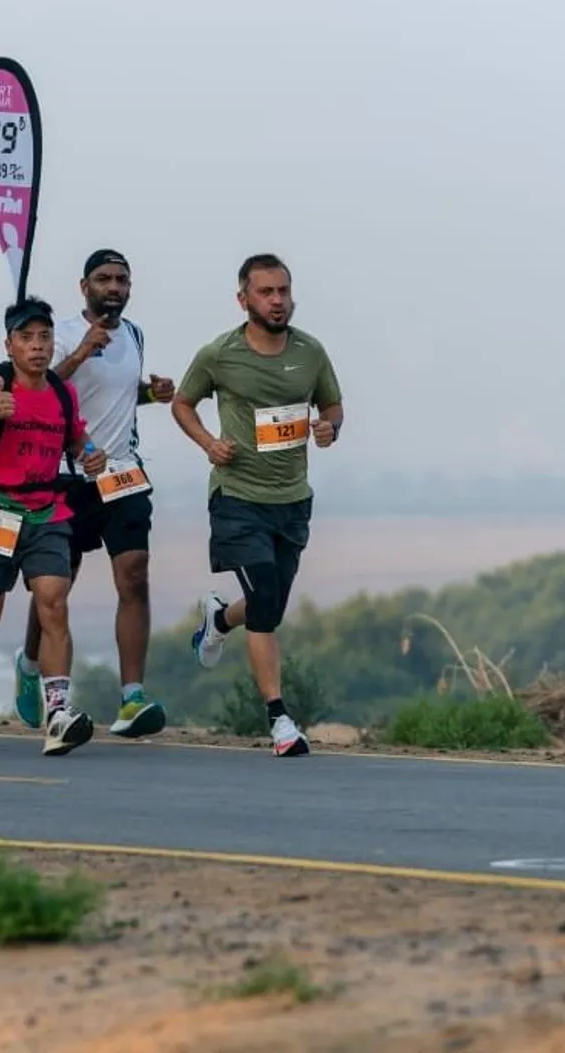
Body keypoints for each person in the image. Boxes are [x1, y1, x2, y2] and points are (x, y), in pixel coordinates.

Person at [171, 254, 343, 757]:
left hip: (292, 500)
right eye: (266, 292)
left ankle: (220, 619)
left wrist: (330, 428)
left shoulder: (310, 352)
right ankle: (279, 719)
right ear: (243, 299)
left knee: (270, 605)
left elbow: (332, 405)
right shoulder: (220, 354)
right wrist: (209, 443)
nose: (277, 301)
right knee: (265, 596)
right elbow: (183, 402)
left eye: (283, 291)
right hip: (238, 498)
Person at [12, 249, 175, 739]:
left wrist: (153, 393)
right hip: (67, 476)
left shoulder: (135, 334)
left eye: (122, 280)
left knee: (135, 574)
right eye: (104, 279)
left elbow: (117, 393)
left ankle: (132, 698)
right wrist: (81, 351)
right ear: (84, 287)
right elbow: (37, 388)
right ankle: (30, 662)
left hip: (122, 472)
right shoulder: (59, 335)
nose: (114, 287)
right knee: (55, 587)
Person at [0, 297, 107, 756]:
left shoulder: (61, 392)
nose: (37, 346)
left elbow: (76, 436)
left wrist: (92, 453)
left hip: (47, 512)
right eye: (26, 338)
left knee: (54, 603)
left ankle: (58, 712)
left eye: (44, 337)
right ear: (8, 344)